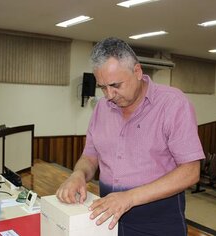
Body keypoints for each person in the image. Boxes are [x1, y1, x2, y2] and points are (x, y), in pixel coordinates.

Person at [56, 37, 205, 235]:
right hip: (109, 216)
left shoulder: (173, 104)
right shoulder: (102, 108)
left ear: (137, 71)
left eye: (115, 85)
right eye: (102, 87)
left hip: (158, 222)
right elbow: (90, 156)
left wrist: (129, 198)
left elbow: (191, 171)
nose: (109, 95)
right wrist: (78, 174)